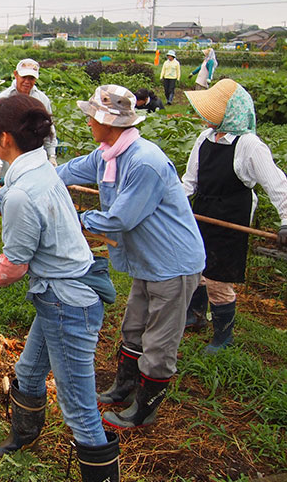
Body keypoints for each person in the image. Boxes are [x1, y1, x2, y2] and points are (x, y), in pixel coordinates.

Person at [0, 95, 120, 481]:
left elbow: (13, 266)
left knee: (80, 409)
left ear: (2, 138)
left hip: (69, 303)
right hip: (60, 295)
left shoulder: (23, 190)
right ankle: (21, 439)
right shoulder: (39, 169)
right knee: (29, 372)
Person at [56, 85, 205, 430]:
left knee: (160, 339)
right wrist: (27, 178)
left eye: (92, 117)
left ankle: (144, 408)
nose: (88, 122)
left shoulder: (144, 162)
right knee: (134, 326)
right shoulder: (108, 154)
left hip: (172, 263)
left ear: (107, 122)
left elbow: (119, 218)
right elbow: (69, 171)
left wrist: (74, 222)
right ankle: (123, 387)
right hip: (146, 261)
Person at [182, 79, 287, 353]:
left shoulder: (249, 145)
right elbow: (189, 182)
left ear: (231, 112)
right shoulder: (204, 138)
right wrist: (173, 204)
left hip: (231, 215)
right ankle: (195, 316)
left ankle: (222, 335)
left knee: (218, 276)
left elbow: (277, 185)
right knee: (195, 266)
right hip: (203, 211)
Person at [0, 58, 58, 165]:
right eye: (24, 77)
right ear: (15, 74)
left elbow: (49, 128)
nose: (27, 82)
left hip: (35, 156)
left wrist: (52, 155)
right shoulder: (3, 99)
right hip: (10, 158)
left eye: (31, 78)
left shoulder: (42, 99)